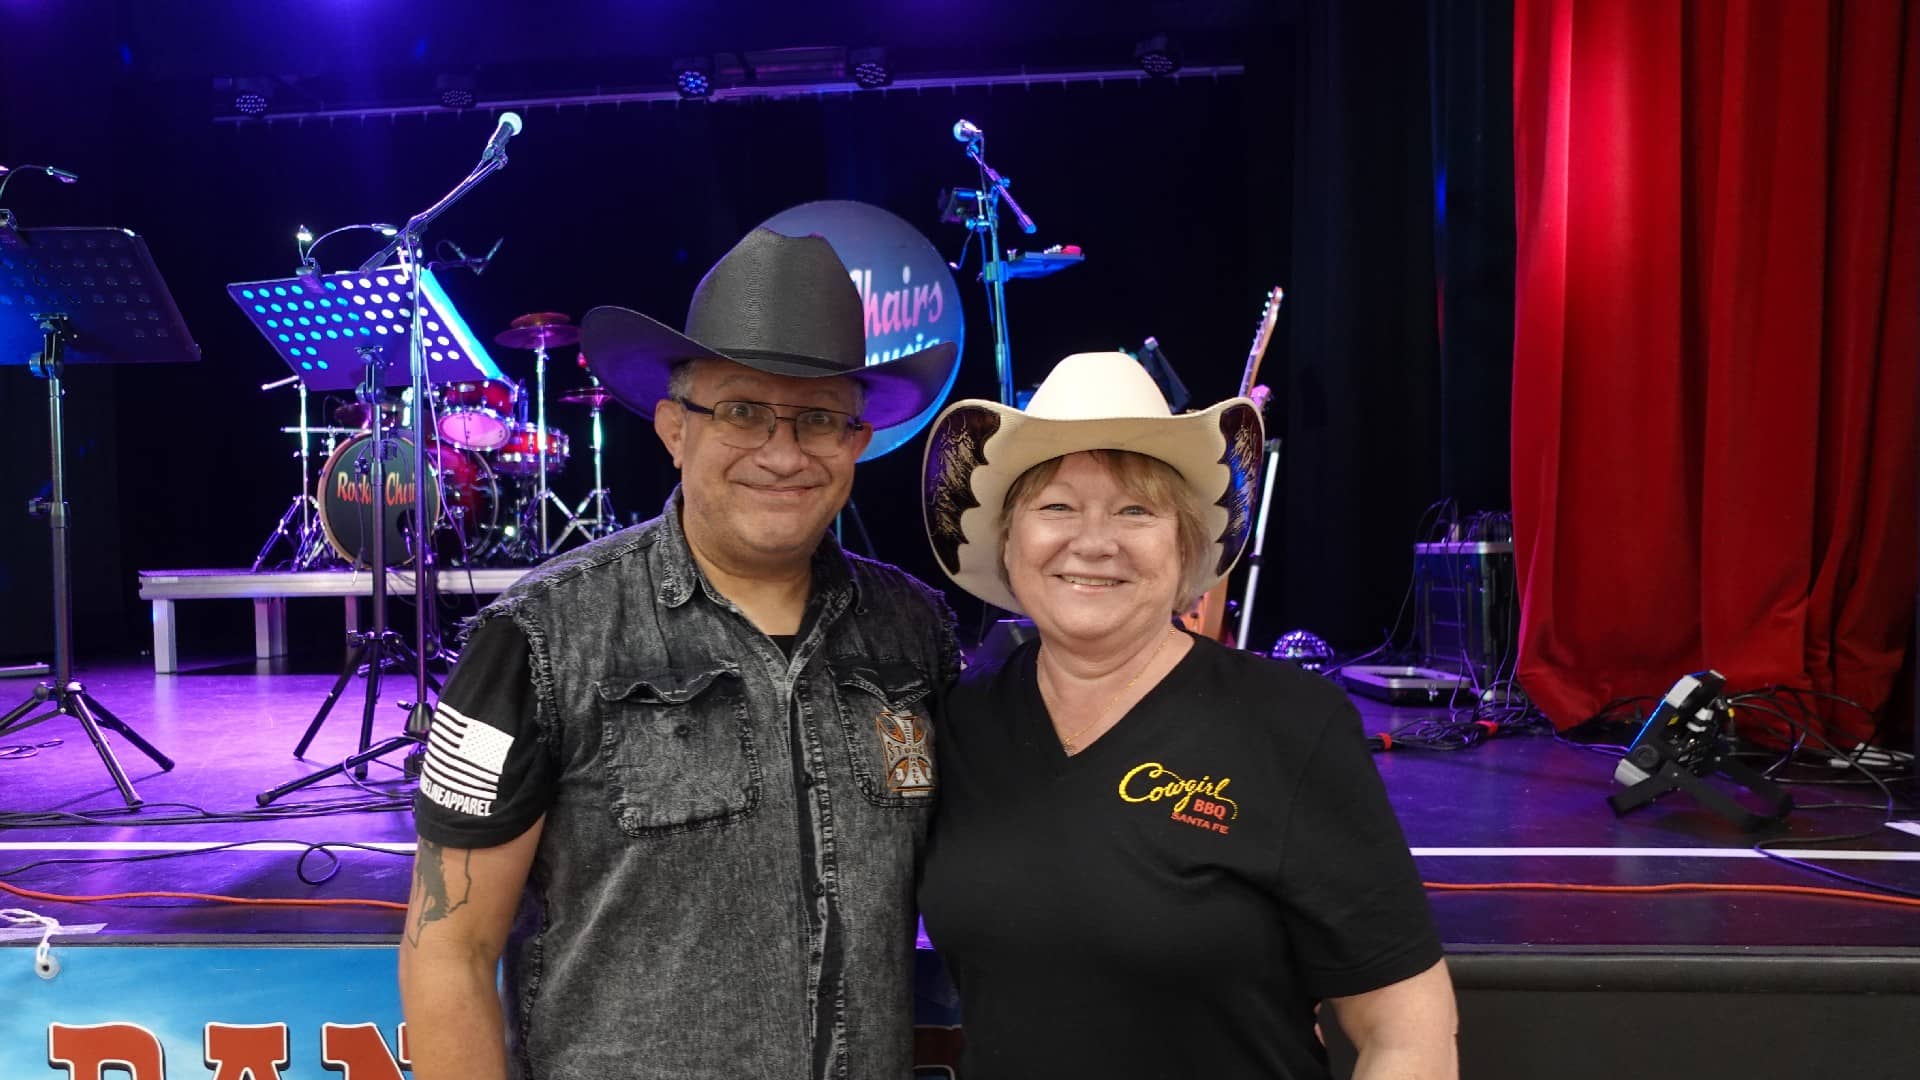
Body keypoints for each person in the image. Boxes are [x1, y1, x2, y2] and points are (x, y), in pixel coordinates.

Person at [399, 228, 964, 1080]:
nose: (782, 452)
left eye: (818, 418)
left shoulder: (915, 632)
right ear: (674, 427)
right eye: (741, 411)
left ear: (856, 441)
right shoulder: (537, 635)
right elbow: (448, 948)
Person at [918, 352, 1457, 1079]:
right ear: (1009, 542)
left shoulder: (1292, 725)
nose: (1094, 540)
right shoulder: (961, 722)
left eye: (1135, 509)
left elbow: (1408, 1032)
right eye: (1056, 506)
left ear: (1185, 546)